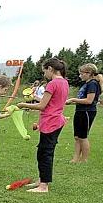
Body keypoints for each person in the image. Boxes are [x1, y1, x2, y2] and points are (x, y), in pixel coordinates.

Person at [17, 57, 68, 193]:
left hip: (51, 122)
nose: (44, 74)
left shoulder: (52, 84)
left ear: (50, 69)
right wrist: (34, 98)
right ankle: (41, 180)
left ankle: (43, 186)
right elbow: (50, 101)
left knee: (45, 153)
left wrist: (23, 105)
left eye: (44, 71)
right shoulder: (64, 82)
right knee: (42, 151)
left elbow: (42, 106)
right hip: (56, 121)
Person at [65, 63, 101, 163]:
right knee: (77, 137)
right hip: (80, 111)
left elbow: (89, 100)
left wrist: (73, 99)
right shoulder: (86, 84)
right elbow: (82, 99)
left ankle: (84, 159)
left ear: (89, 73)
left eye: (81, 74)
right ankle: (75, 158)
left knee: (83, 137)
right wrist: (73, 102)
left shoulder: (92, 84)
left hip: (87, 112)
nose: (80, 76)